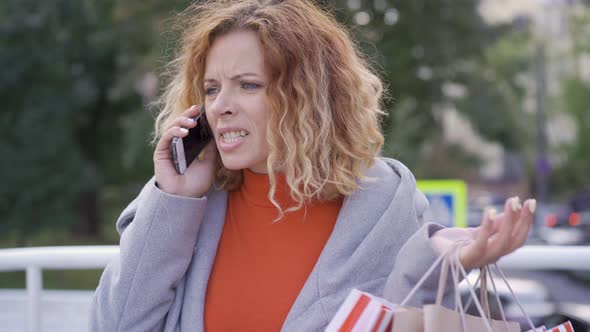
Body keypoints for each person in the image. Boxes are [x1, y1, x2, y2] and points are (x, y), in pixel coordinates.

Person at [89, 0, 536, 331]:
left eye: (247, 85)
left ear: (308, 97)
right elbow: (114, 324)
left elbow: (403, 314)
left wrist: (437, 259)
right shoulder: (192, 205)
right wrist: (173, 199)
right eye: (210, 89)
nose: (219, 107)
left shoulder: (384, 200)